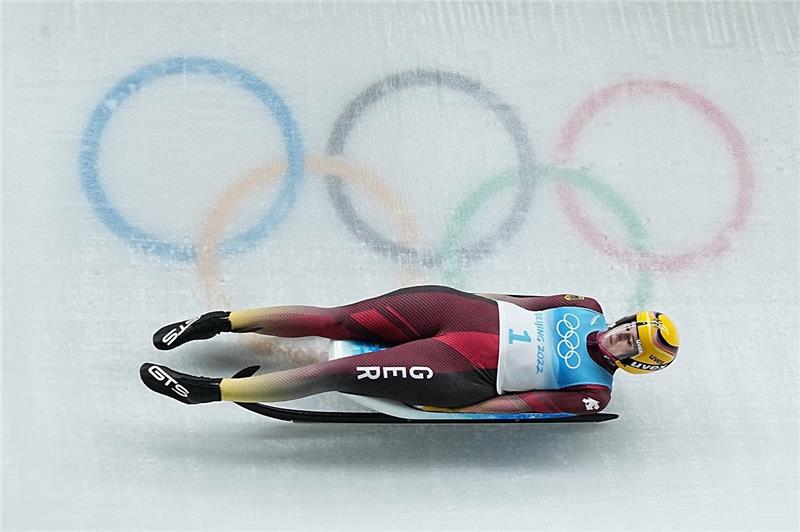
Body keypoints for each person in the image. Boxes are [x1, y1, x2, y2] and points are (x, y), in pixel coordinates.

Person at [140, 285, 679, 414]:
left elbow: (514, 409)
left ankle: (208, 392)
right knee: (336, 319)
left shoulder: (592, 392)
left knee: (338, 371)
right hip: (460, 312)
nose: (622, 334)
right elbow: (516, 297)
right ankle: (215, 321)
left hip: (461, 368)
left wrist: (451, 409)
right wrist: (454, 294)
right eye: (631, 326)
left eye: (632, 343)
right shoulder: (584, 304)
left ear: (634, 362)